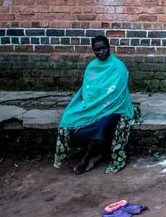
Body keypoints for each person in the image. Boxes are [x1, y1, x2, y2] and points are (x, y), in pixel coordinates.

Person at [54, 36, 141, 174]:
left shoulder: (118, 67)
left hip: (114, 107)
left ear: (109, 47)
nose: (101, 52)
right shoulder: (92, 66)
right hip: (94, 105)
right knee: (69, 118)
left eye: (104, 48)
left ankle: (88, 157)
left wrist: (101, 106)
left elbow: (116, 92)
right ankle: (97, 153)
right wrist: (92, 105)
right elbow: (88, 90)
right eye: (97, 50)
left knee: (101, 124)